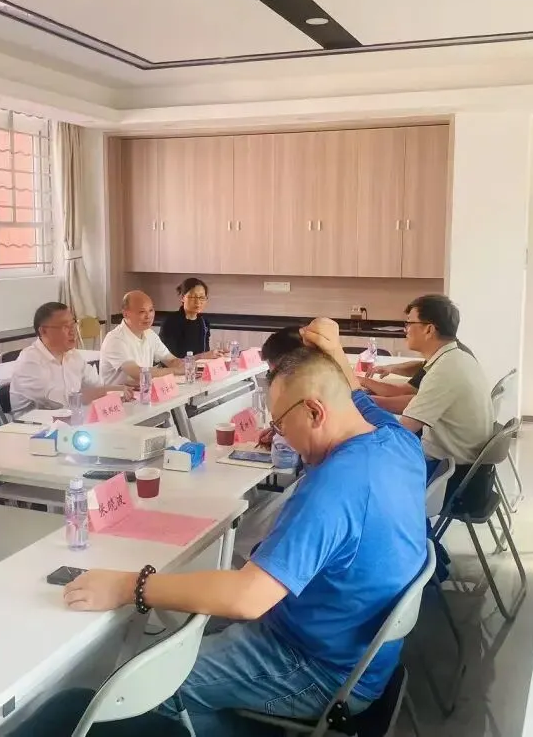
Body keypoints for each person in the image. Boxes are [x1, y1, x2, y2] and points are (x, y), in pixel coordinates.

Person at [62, 318, 429, 737]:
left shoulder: (335, 486)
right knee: (183, 628)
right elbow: (355, 397)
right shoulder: (397, 440)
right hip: (351, 647)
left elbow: (248, 597)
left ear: (314, 411)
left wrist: (130, 586)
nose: (280, 437)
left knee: (145, 689)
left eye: (281, 424)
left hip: (315, 666)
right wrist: (334, 354)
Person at [397, 295, 494, 481]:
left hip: (449, 473)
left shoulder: (446, 369)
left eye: (409, 323)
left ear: (429, 329)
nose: (405, 329)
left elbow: (404, 429)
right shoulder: (457, 358)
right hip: (464, 466)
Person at [10, 303, 132, 417]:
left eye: (73, 324)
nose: (73, 331)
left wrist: (114, 391)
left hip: (71, 421)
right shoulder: (30, 361)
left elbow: (96, 385)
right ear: (43, 331)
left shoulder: (72, 355)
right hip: (34, 428)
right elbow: (63, 401)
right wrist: (104, 391)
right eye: (65, 326)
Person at [100, 291, 185, 386]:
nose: (148, 316)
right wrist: (175, 370)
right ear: (125, 314)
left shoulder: (149, 334)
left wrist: (187, 366)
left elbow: (170, 360)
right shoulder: (115, 339)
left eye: (151, 310)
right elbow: (139, 374)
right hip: (118, 394)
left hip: (143, 390)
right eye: (142, 311)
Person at [158, 278, 220, 360]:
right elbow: (169, 360)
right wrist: (201, 356)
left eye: (202, 297)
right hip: (177, 367)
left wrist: (217, 354)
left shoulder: (204, 322)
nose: (198, 302)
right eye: (193, 297)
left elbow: (205, 353)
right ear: (182, 297)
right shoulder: (171, 322)